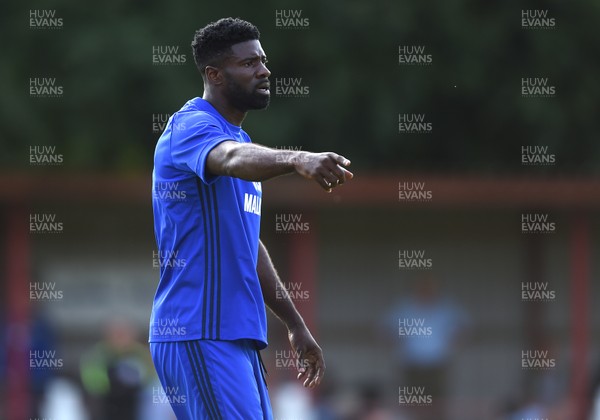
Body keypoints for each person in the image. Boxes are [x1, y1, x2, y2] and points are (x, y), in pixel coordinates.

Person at [149, 17, 353, 419]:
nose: (264, 70)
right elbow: (228, 158)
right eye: (248, 63)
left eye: (263, 60)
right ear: (214, 74)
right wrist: (296, 158)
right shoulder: (191, 126)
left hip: (237, 335)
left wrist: (295, 324)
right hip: (198, 330)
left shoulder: (240, 139)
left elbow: (246, 242)